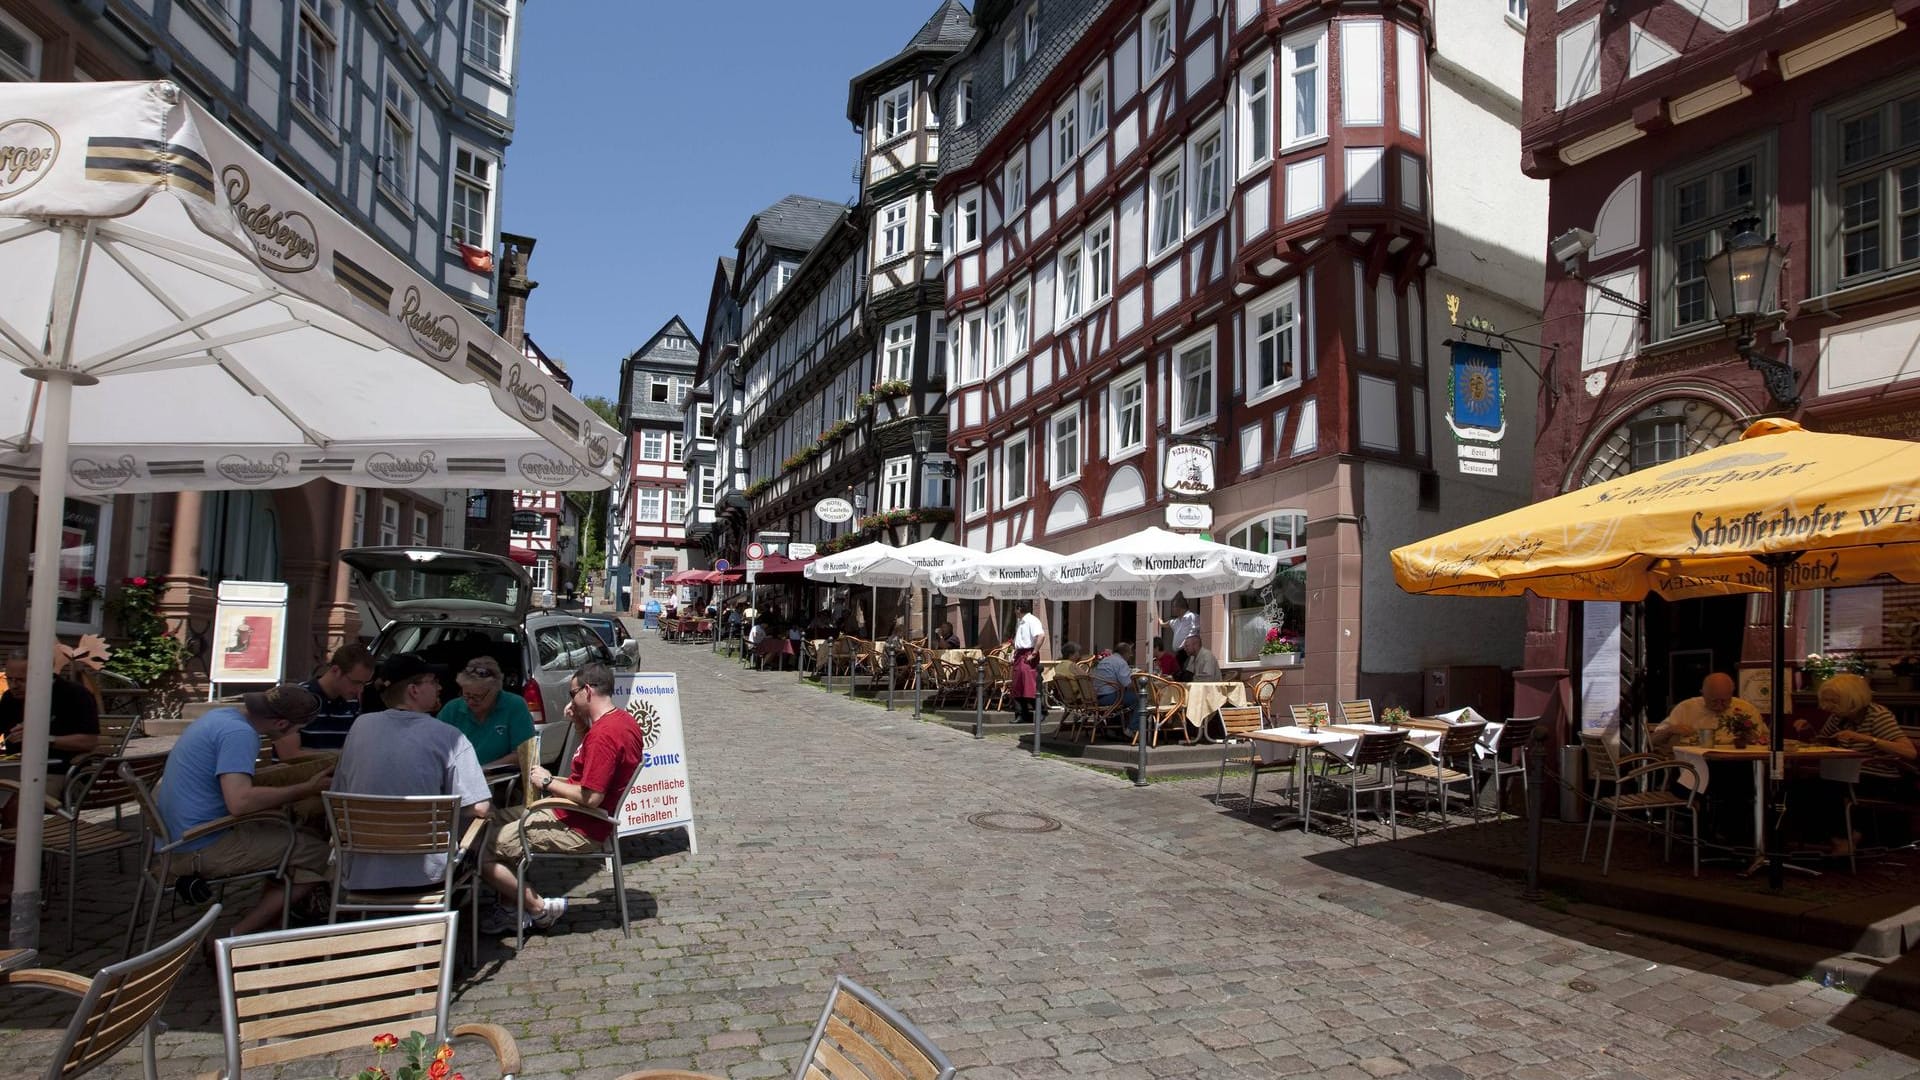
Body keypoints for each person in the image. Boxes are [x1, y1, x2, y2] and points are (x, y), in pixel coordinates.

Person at [152, 684, 334, 938]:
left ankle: (272, 920)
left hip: (177, 838)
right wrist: (306, 788)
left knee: (296, 839)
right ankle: (234, 937)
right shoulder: (240, 734)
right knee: (323, 856)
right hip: (198, 845)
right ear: (282, 724)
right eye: (297, 729)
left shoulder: (222, 716)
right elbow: (240, 802)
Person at [480, 661, 645, 934]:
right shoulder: (621, 722)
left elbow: (590, 796)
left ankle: (538, 908)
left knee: (484, 849)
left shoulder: (605, 735)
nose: (571, 699)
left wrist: (547, 781)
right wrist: (580, 723)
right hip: (577, 814)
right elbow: (592, 768)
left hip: (579, 825)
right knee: (490, 820)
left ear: (587, 691)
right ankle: (511, 903)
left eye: (572, 693)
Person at [333, 654, 491, 891]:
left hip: (361, 874)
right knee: (486, 831)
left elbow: (339, 794)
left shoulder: (359, 727)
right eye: (433, 681)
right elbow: (480, 807)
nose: (440, 687)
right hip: (427, 876)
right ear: (413, 690)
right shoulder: (450, 737)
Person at [1794, 674, 1917, 852]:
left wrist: (1867, 739)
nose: (1827, 707)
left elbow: (1909, 752)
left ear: (1852, 700)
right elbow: (1823, 742)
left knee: (1823, 789)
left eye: (1834, 702)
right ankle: (1842, 838)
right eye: (1825, 701)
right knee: (1800, 787)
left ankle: (1845, 840)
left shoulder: (1878, 716)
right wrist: (1808, 729)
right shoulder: (1838, 717)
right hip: (1846, 774)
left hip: (1881, 779)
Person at [1, 647, 101, 801]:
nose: (13, 685)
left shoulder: (74, 694)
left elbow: (89, 741)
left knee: (18, 802)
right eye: (9, 678)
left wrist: (43, 739)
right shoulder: (10, 698)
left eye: (21, 680)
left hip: (59, 772)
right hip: (14, 770)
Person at [436, 655, 537, 768]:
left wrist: (482, 771)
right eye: (467, 695)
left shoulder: (515, 705)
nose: (470, 701)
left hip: (500, 779)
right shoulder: (452, 709)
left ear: (496, 691)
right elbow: (433, 746)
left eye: (477, 696)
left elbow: (524, 753)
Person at [1649, 673, 1764, 756]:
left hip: (1736, 764)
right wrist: (1671, 730)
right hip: (1693, 764)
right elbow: (1652, 741)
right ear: (1703, 694)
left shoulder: (1746, 709)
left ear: (1732, 693)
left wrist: (1751, 737)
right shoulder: (1686, 708)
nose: (1719, 706)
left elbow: (1762, 739)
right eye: (1714, 701)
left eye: (1724, 701)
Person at [298, 642, 376, 752]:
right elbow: (289, 755)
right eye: (355, 682)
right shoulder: (299, 697)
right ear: (336, 670)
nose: (360, 690)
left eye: (364, 684)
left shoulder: (352, 701)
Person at [1092, 643, 1143, 737]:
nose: (1131, 655)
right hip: (1109, 697)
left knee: (1127, 697)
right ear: (1125, 653)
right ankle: (1132, 729)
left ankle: (1115, 728)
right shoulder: (1120, 662)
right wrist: (1140, 680)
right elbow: (1128, 684)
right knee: (1141, 699)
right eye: (1130, 653)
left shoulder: (1105, 660)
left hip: (1097, 697)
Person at [1009, 600, 1046, 724]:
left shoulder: (1032, 620)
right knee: (1017, 685)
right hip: (1020, 654)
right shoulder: (1020, 622)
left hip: (1028, 654)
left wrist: (1034, 653)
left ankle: (1041, 711)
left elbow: (1041, 636)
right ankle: (1022, 714)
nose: (1014, 611)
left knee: (1030, 685)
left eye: (1015, 608)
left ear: (1019, 608)